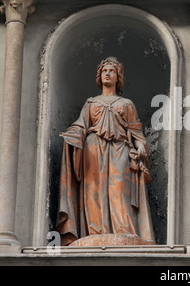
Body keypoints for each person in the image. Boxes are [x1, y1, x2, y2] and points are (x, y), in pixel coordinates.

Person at [56, 56, 155, 246]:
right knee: (93, 190)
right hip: (92, 149)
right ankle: (95, 231)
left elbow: (137, 134)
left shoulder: (127, 104)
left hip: (120, 149)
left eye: (111, 71)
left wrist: (141, 149)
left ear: (118, 77)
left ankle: (123, 231)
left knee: (119, 190)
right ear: (99, 77)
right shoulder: (91, 103)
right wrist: (71, 136)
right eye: (104, 71)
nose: (107, 74)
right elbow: (81, 126)